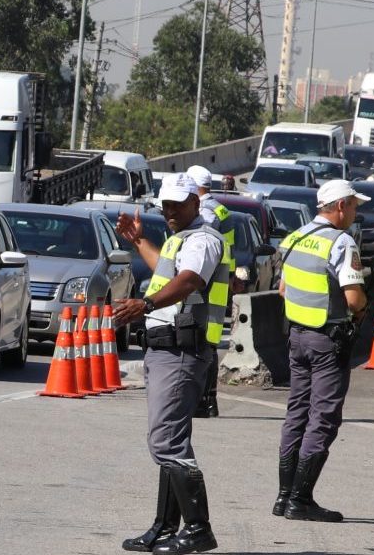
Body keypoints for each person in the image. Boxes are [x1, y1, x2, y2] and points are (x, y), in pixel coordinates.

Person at [112, 174, 229, 554]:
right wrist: (138, 241)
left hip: (182, 350)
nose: (170, 212)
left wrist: (145, 304)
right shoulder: (182, 238)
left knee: (166, 442)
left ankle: (198, 529)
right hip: (167, 348)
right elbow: (167, 266)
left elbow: (189, 279)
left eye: (177, 204)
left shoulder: (203, 239)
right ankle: (165, 527)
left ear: (195, 202)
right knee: (172, 440)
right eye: (165, 206)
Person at [272, 180, 370, 524]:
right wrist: (359, 311)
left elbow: (283, 290)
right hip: (327, 340)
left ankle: (284, 496)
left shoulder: (296, 237)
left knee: (297, 411)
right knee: (324, 417)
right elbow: (355, 299)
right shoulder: (341, 242)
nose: (356, 214)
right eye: (354, 207)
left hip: (296, 336)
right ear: (340, 206)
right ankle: (301, 498)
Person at [184, 165, 235, 418]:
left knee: (201, 341)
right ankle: (209, 401)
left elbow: (199, 244)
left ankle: (203, 399)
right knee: (210, 340)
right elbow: (231, 246)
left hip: (204, 279)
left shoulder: (204, 211)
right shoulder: (222, 209)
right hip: (221, 278)